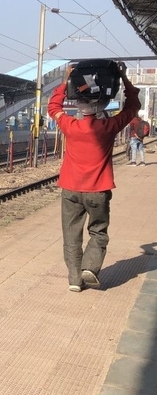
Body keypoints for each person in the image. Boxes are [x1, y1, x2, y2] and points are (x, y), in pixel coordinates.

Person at [48, 61, 140, 292]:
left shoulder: (69, 125)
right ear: (102, 105)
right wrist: (123, 77)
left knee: (71, 236)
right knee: (98, 232)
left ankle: (74, 280)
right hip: (98, 191)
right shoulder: (109, 126)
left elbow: (53, 107)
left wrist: (65, 79)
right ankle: (90, 267)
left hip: (70, 189)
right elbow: (133, 106)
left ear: (79, 106)